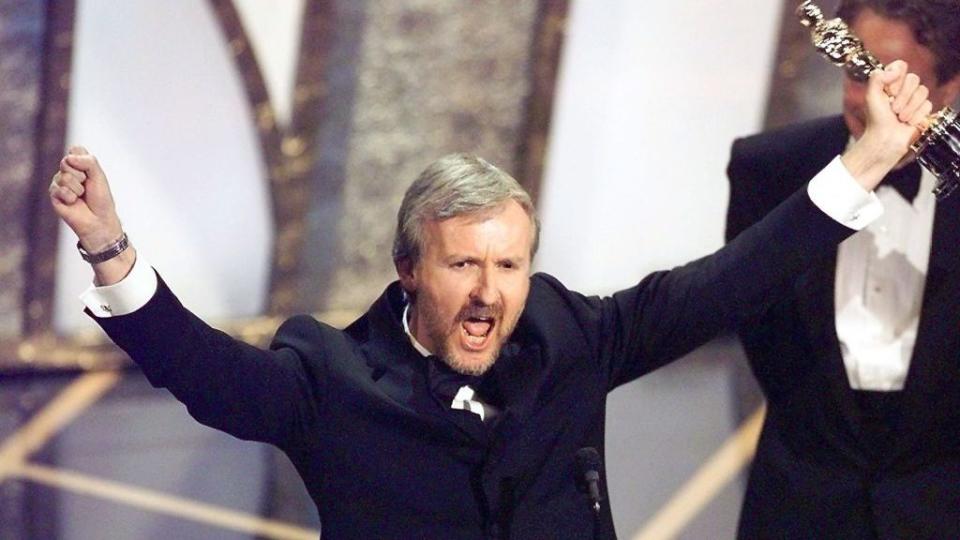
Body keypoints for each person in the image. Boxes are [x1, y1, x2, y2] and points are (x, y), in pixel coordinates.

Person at [50, 61, 927, 538]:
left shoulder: (574, 335)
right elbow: (205, 373)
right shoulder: (331, 377)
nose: (488, 294)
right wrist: (108, 245)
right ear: (407, 270)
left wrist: (868, 162)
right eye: (463, 266)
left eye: (508, 267)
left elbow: (728, 280)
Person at [724, 2, 960, 538]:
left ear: (949, 88)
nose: (865, 101)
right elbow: (751, 319)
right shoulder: (767, 168)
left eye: (896, 82)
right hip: (798, 499)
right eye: (858, 74)